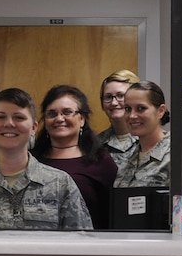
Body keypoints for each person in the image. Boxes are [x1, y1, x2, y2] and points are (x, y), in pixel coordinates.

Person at [0, 88, 93, 230]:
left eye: (19, 117)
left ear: (34, 128)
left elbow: (82, 247)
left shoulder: (60, 184)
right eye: (0, 117)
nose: (9, 123)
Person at [32, 85, 119, 229]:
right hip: (39, 244)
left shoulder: (101, 161)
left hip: (88, 245)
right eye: (52, 114)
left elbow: (111, 215)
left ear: (82, 119)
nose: (59, 119)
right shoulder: (32, 160)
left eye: (67, 112)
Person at [115, 80, 182, 188]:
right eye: (127, 109)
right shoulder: (126, 156)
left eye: (141, 108)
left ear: (161, 111)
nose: (132, 115)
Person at [98, 69, 140, 171]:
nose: (113, 103)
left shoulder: (152, 141)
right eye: (108, 97)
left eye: (120, 96)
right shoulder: (94, 145)